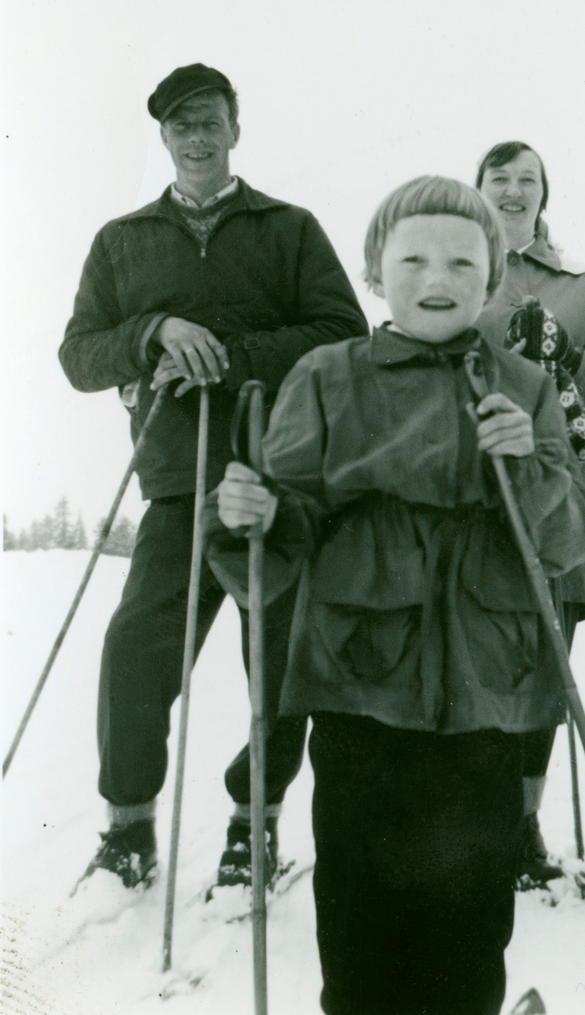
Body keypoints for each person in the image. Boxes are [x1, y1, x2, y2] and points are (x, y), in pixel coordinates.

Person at [205, 176, 585, 1015]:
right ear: (376, 271)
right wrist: (254, 514)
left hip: (487, 694)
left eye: (463, 258)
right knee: (359, 927)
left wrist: (526, 463)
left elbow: (563, 546)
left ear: (492, 275)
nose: (438, 274)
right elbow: (281, 537)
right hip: (358, 685)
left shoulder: (523, 385)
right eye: (413, 255)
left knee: (467, 929)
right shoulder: (325, 374)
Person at [59, 63, 368, 892]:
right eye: (181, 123)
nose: (197, 136)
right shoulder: (121, 240)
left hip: (279, 479)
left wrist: (228, 357)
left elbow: (344, 329)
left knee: (276, 665)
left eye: (211, 120)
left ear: (237, 128)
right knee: (134, 653)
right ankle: (128, 833)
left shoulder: (288, 227)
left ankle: (253, 826)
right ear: (163, 136)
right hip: (175, 482)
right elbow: (77, 356)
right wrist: (154, 332)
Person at [474, 141, 585, 883]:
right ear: (475, 188)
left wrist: (567, 356)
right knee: (471, 658)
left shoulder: (584, 287)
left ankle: (518, 828)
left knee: (545, 664)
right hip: (467, 493)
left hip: (559, 496)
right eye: (498, 180)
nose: (512, 193)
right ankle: (466, 820)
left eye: (526, 181)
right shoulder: (452, 270)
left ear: (544, 195)